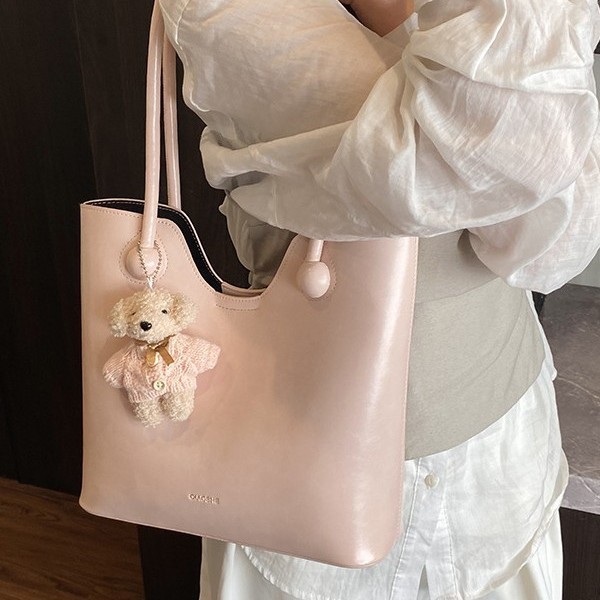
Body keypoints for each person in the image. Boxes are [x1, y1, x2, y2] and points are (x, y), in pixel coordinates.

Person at [158, 0, 600, 597]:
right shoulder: (218, 9)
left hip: (498, 459)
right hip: (313, 472)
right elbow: (505, 173)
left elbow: (556, 248)